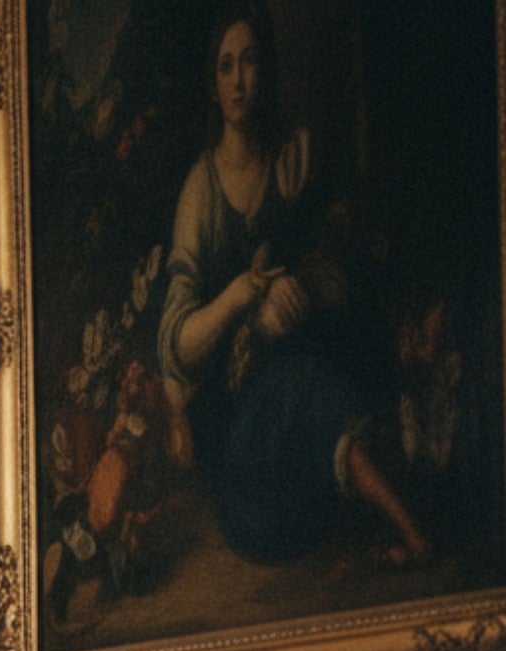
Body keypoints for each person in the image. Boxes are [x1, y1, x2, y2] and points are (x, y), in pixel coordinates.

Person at [157, 5, 427, 566]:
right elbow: (178, 344)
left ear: (266, 73)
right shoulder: (200, 192)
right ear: (213, 85)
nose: (237, 80)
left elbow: (337, 261)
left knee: (324, 373)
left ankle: (411, 529)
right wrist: (243, 299)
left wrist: (297, 287)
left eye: (249, 62)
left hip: (300, 353)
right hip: (236, 421)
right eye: (226, 66)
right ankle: (411, 529)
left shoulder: (293, 159)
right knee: (306, 391)